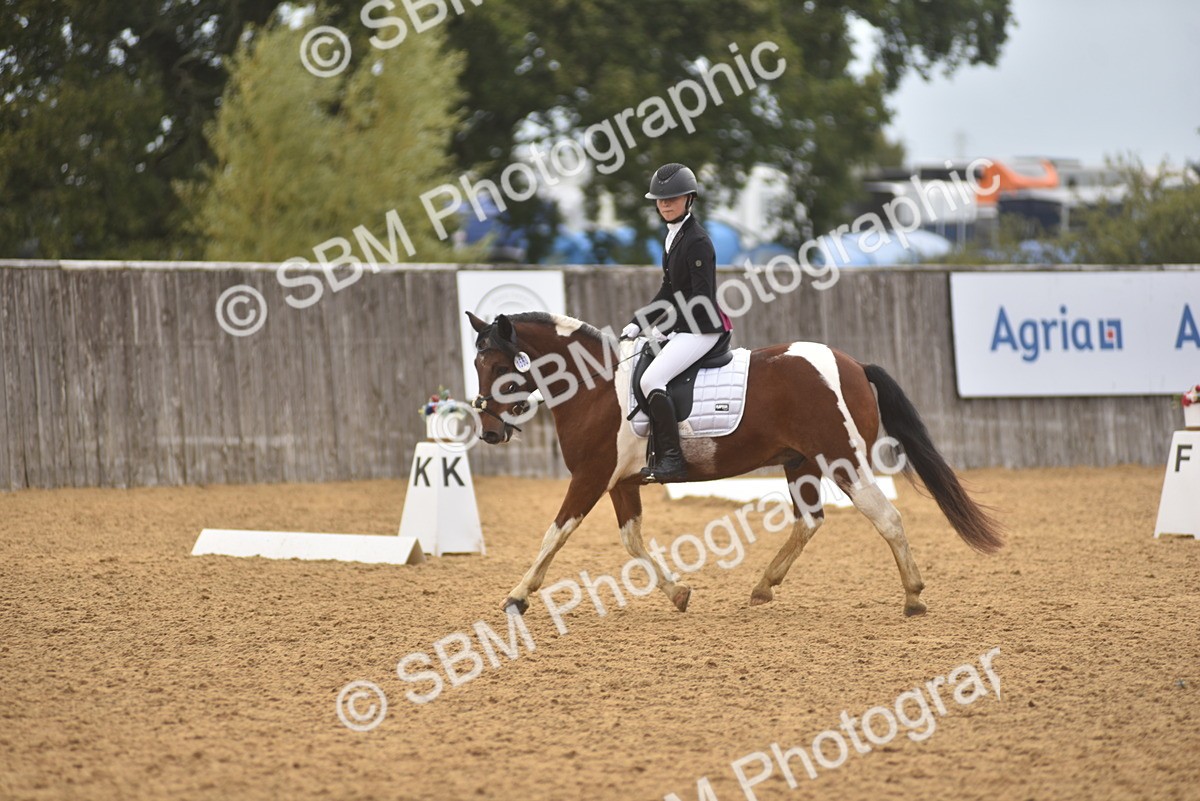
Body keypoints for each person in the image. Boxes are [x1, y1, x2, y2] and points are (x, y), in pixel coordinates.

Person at [621, 163, 732, 482]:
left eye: (673, 198)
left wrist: (667, 326)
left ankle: (673, 459)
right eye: (660, 199)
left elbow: (702, 297)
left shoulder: (696, 241)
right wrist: (638, 322)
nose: (665, 203)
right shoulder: (673, 238)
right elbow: (669, 289)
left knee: (650, 379)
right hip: (684, 324)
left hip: (702, 327)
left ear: (690, 199)